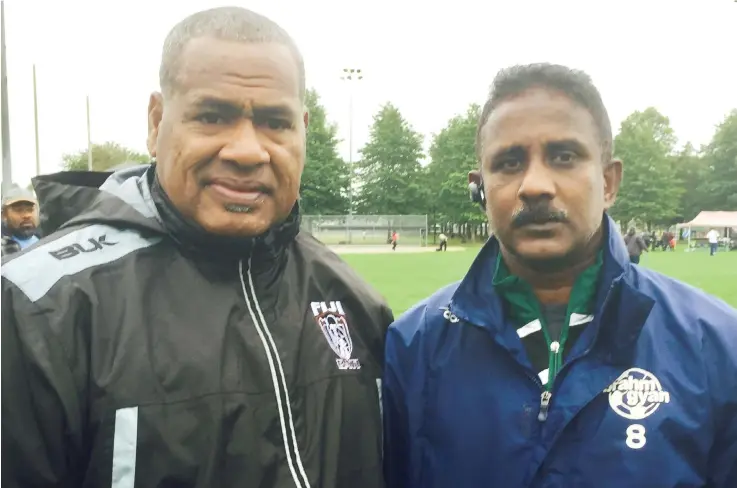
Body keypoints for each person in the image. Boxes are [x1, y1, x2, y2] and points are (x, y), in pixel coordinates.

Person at [2, 7, 392, 487]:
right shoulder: (37, 306)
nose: (248, 151)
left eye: (276, 122)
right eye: (212, 116)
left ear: (303, 131)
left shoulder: (356, 301)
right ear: (156, 122)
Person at [382, 63, 737, 487]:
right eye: (510, 162)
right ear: (480, 187)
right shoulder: (413, 346)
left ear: (608, 182)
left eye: (563, 157)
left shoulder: (717, 346)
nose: (534, 185)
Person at [1, 186, 40, 257]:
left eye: (30, 210)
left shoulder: (46, 239)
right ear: (3, 215)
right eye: (19, 210)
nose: (27, 215)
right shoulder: (2, 246)